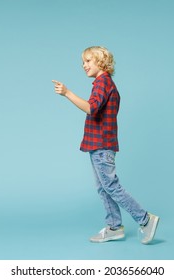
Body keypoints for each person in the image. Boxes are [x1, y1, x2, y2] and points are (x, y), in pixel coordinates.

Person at [52, 46, 159, 244]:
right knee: (103, 188)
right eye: (82, 62)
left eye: (88, 61)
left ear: (100, 62)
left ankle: (145, 219)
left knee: (110, 186)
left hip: (101, 145)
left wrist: (67, 93)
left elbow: (91, 108)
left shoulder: (102, 83)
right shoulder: (104, 83)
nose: (84, 66)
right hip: (98, 145)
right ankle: (114, 227)